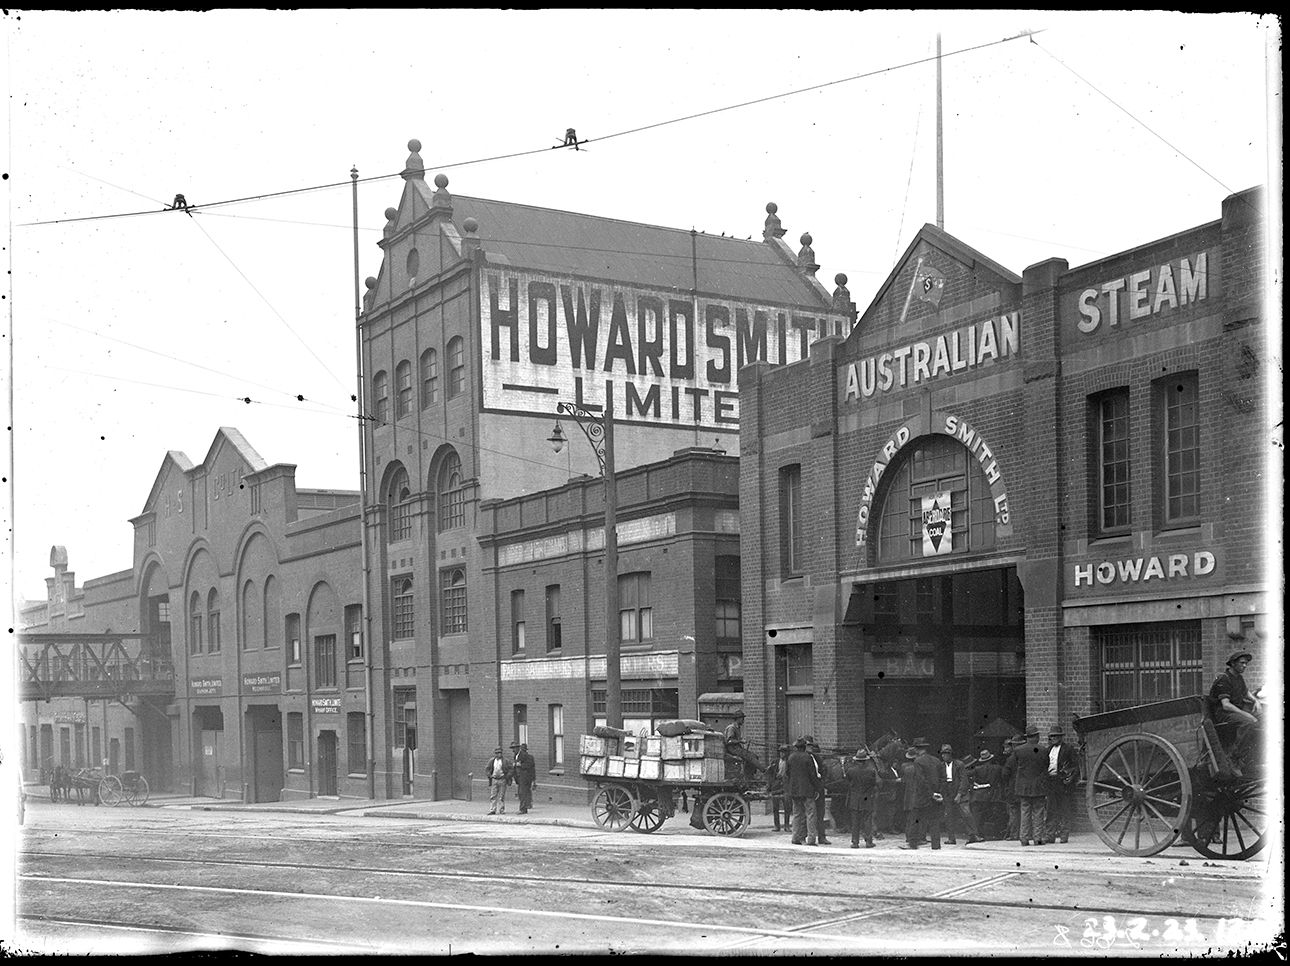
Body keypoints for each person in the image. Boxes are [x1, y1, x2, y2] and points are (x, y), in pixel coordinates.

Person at [1208, 650, 1260, 774]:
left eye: (1246, 663)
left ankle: (1249, 759)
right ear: (1232, 663)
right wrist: (1246, 715)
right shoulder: (1224, 679)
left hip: (1234, 712)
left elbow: (1245, 692)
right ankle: (1233, 757)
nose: (1245, 666)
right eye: (1242, 663)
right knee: (1248, 722)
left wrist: (1256, 701)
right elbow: (1226, 705)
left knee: (1262, 720)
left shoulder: (1239, 678)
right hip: (1222, 713)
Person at [1008, 725, 1048, 846]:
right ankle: (1038, 838)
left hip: (1023, 786)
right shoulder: (1043, 750)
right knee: (1038, 812)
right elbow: (1045, 767)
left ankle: (1024, 838)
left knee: (1024, 811)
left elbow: (1014, 766)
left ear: (1027, 737)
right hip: (1038, 786)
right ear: (1036, 736)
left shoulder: (1018, 750)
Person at [1043, 729, 1079, 844]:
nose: (1053, 738)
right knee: (1050, 809)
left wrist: (1070, 778)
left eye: (1055, 736)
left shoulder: (1068, 749)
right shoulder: (1048, 749)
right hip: (1051, 782)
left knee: (1064, 809)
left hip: (1062, 782)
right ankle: (1050, 835)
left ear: (1060, 737)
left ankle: (1064, 835)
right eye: (1051, 736)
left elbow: (1075, 765)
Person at [940, 744, 979, 845]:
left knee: (966, 814)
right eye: (943, 754)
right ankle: (951, 838)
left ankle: (973, 835)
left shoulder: (959, 764)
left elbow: (963, 780)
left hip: (959, 791)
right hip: (947, 792)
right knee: (948, 815)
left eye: (946, 754)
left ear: (950, 755)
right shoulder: (941, 766)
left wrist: (959, 794)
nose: (944, 756)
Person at [786, 737, 821, 846]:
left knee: (797, 814)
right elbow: (813, 775)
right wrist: (817, 788)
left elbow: (787, 773)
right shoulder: (807, 758)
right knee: (810, 814)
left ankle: (795, 837)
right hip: (807, 790)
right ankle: (811, 839)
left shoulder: (791, 757)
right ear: (804, 746)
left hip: (795, 790)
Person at [844, 747, 879, 848]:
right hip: (867, 799)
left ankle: (855, 842)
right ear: (866, 760)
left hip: (854, 799)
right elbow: (874, 784)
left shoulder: (851, 771)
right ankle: (868, 841)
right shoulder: (871, 771)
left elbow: (848, 783)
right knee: (867, 820)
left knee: (855, 821)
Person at [968, 748, 1004, 841]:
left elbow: (967, 775)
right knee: (996, 814)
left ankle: (979, 834)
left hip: (979, 795)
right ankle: (997, 834)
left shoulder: (977, 769)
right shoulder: (998, 768)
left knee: (978, 817)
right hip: (994, 794)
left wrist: (973, 784)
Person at [805, 737, 831, 845]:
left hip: (818, 789)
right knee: (809, 814)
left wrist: (822, 783)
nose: (811, 748)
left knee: (820, 813)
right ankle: (808, 836)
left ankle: (822, 836)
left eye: (812, 746)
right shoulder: (804, 759)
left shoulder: (816, 758)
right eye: (809, 746)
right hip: (810, 790)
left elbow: (823, 770)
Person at [1001, 735, 1023, 841]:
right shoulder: (1026, 755)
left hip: (1013, 789)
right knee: (1026, 811)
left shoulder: (1011, 759)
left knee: (1014, 812)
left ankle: (1014, 834)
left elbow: (1005, 775)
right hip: (1025, 789)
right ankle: (1025, 833)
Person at [484, 746, 512, 815]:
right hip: (494, 779)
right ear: (495, 754)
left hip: (502, 779)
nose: (498, 754)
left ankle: (501, 809)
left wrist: (507, 776)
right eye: (497, 753)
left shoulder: (505, 761)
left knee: (501, 796)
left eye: (500, 753)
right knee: (493, 795)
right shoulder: (492, 761)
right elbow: (487, 769)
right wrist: (489, 775)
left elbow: (511, 769)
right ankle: (492, 809)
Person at [769, 744, 791, 832]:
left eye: (784, 752)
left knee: (787, 807)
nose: (782, 754)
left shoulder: (789, 762)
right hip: (776, 786)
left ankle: (786, 825)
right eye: (781, 752)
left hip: (786, 786)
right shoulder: (775, 762)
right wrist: (771, 784)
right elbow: (769, 774)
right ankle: (776, 826)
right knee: (775, 807)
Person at [513, 741, 536, 814]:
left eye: (514, 748)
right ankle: (524, 807)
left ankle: (523, 809)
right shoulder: (516, 756)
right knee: (521, 793)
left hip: (524, 777)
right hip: (519, 777)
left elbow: (530, 765)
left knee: (522, 792)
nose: (513, 750)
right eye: (512, 749)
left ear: (518, 748)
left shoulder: (524, 755)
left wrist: (520, 765)